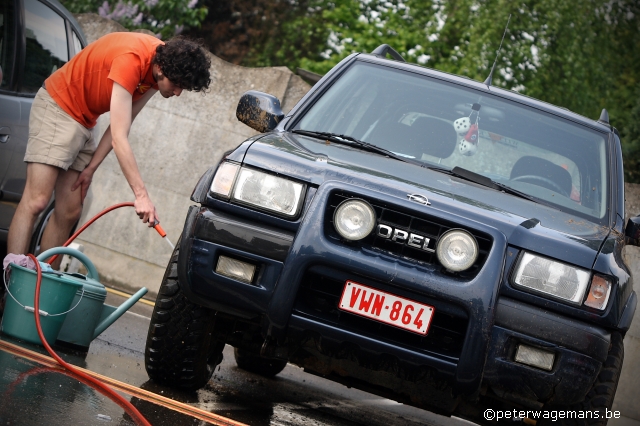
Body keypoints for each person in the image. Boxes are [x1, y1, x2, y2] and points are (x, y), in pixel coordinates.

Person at [6, 32, 211, 264]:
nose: (178, 93)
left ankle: (41, 280)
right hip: (58, 106)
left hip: (86, 120)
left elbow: (122, 123)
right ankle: (11, 275)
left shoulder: (162, 65)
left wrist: (91, 168)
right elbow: (119, 138)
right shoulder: (132, 60)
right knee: (37, 200)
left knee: (70, 210)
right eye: (177, 85)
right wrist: (141, 196)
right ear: (163, 69)